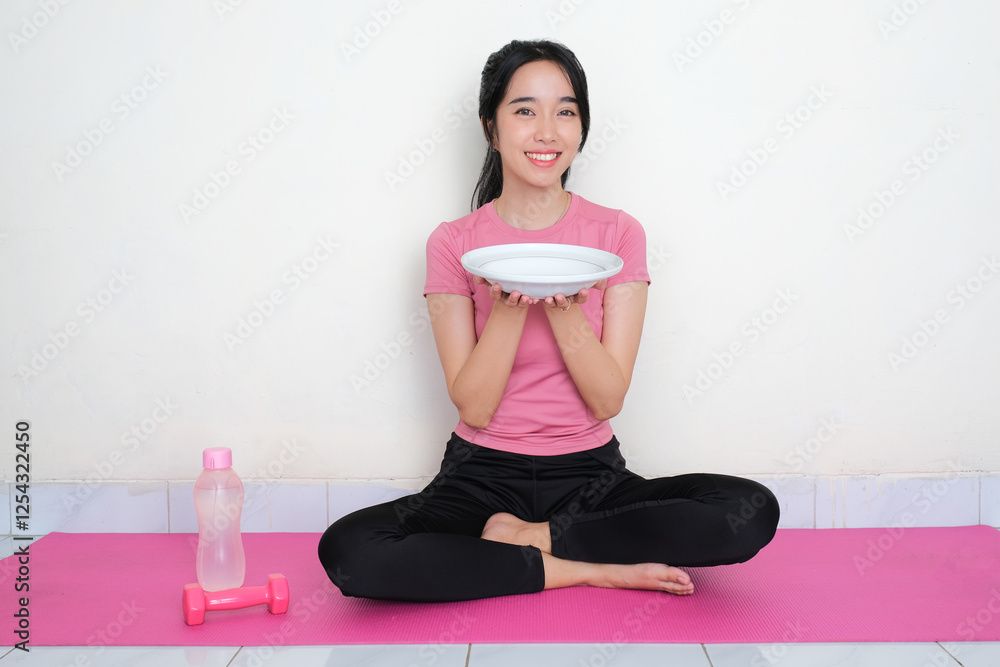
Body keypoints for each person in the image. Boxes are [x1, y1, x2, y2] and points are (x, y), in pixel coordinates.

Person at [318, 39, 779, 603]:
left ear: (582, 128)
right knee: (351, 549)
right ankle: (585, 565)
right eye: (524, 110)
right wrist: (512, 306)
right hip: (479, 473)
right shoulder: (454, 243)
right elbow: (475, 406)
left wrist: (562, 305)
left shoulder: (616, 237)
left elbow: (607, 399)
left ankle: (533, 539)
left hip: (587, 474)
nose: (548, 131)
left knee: (747, 511)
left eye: (566, 111)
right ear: (491, 128)